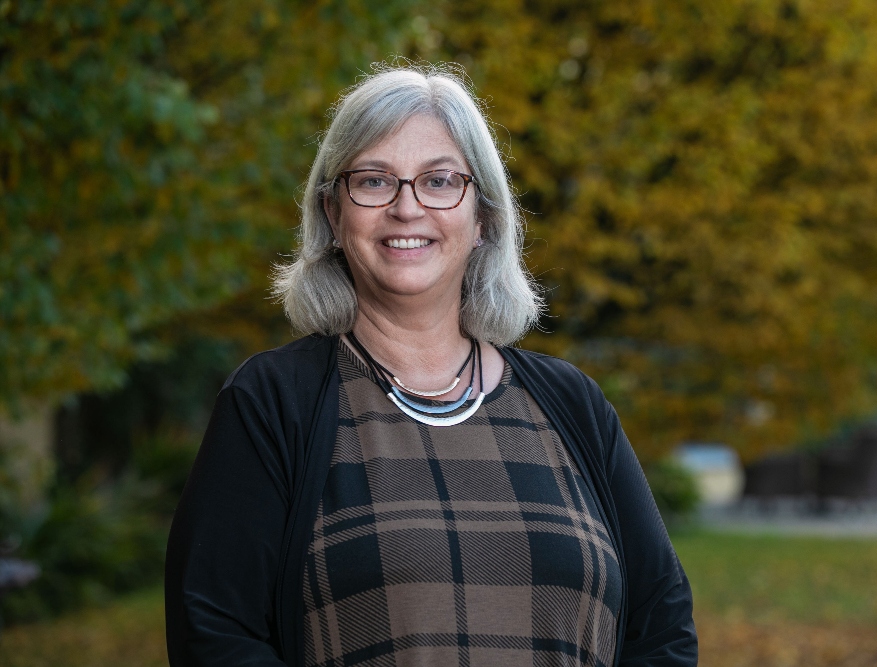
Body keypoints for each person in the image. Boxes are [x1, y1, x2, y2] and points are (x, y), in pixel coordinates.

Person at [165, 64, 697, 667]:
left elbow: (662, 627)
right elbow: (214, 634)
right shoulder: (273, 402)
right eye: (373, 181)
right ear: (333, 215)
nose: (406, 207)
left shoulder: (572, 405)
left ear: (483, 218)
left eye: (440, 181)